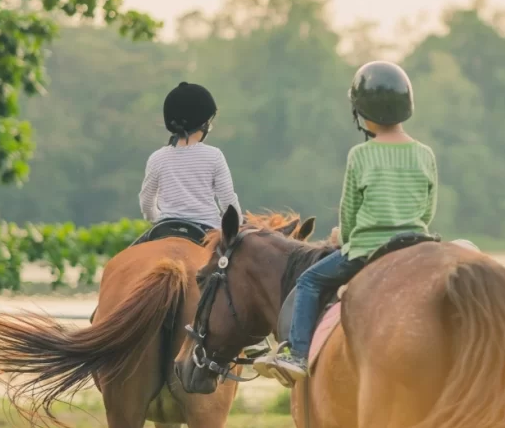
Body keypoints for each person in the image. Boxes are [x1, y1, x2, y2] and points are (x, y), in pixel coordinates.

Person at [255, 61, 438, 384]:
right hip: (416, 249)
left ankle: (296, 353)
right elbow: (427, 211)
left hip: (368, 251)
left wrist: (345, 236)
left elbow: (350, 211)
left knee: (310, 282)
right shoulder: (425, 154)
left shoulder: (361, 155)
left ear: (361, 113)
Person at [138, 82, 241, 231]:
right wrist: (239, 226)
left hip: (165, 229)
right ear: (204, 124)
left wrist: (157, 219)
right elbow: (228, 202)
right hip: (207, 230)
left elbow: (146, 203)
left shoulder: (157, 158)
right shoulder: (214, 156)